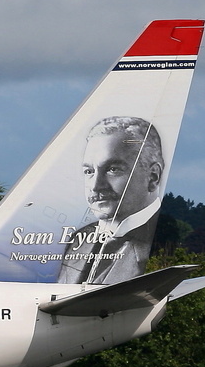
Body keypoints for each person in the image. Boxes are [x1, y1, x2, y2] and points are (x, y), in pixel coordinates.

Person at [57, 116, 164, 284]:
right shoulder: (80, 239)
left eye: (113, 169)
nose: (96, 186)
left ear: (153, 177)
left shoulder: (165, 242)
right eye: (89, 171)